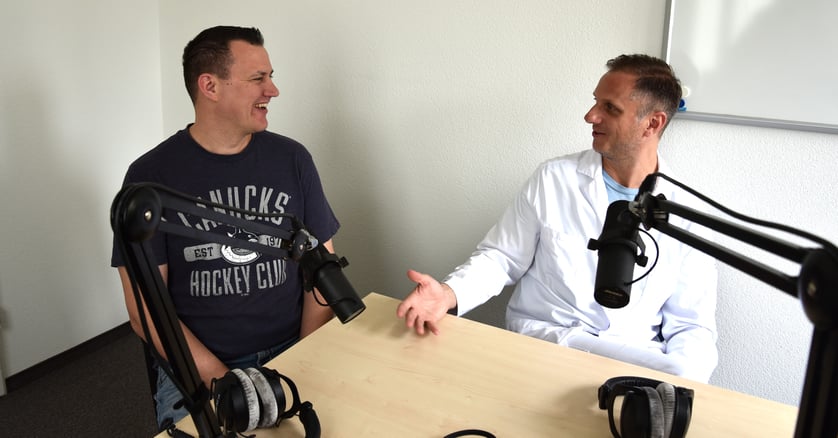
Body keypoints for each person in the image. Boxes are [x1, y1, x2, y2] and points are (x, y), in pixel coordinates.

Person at [397, 54, 718, 383]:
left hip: (633, 365)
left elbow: (691, 325)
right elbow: (502, 258)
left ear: (652, 123)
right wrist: (449, 294)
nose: (590, 115)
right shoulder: (554, 179)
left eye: (610, 108)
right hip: (545, 346)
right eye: (595, 102)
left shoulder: (685, 212)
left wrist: (684, 385)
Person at [110, 26, 339, 429]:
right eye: (258, 78)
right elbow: (143, 310)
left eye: (271, 76)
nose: (273, 90)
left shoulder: (293, 160)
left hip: (293, 346)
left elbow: (323, 272)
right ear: (210, 86)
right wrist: (223, 381)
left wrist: (304, 359)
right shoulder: (150, 178)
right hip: (201, 364)